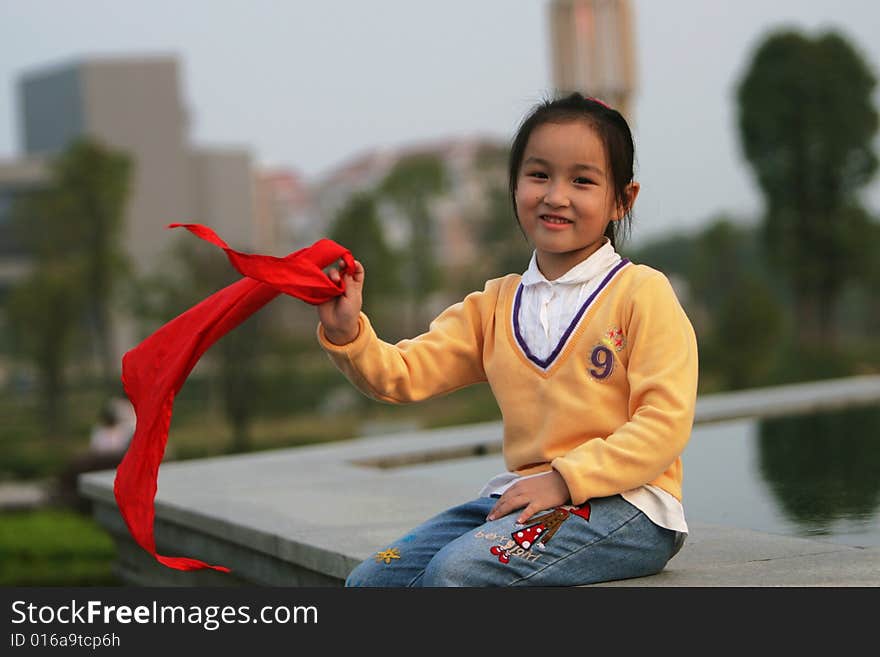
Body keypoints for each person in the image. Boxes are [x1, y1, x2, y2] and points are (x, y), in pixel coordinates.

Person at [316, 92, 698, 587]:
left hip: (628, 505)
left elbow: (664, 424)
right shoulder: (495, 306)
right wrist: (347, 332)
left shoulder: (641, 293)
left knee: (457, 573)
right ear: (514, 185)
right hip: (522, 498)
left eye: (582, 180)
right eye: (539, 175)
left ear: (622, 199)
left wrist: (565, 479)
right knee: (371, 582)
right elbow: (403, 374)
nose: (555, 195)